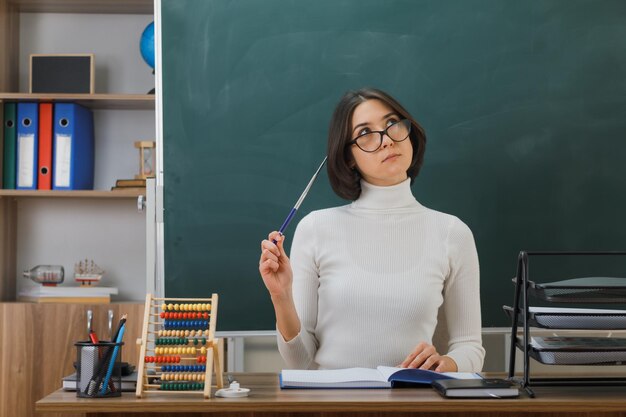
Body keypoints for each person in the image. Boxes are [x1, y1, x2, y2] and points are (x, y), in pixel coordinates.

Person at [259, 88, 485, 372]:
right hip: (330, 405)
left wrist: (448, 363)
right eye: (366, 133)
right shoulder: (315, 228)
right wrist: (281, 296)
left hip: (413, 403)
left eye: (393, 124)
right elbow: (300, 361)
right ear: (349, 156)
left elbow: (470, 348)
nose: (386, 140)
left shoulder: (452, 232)